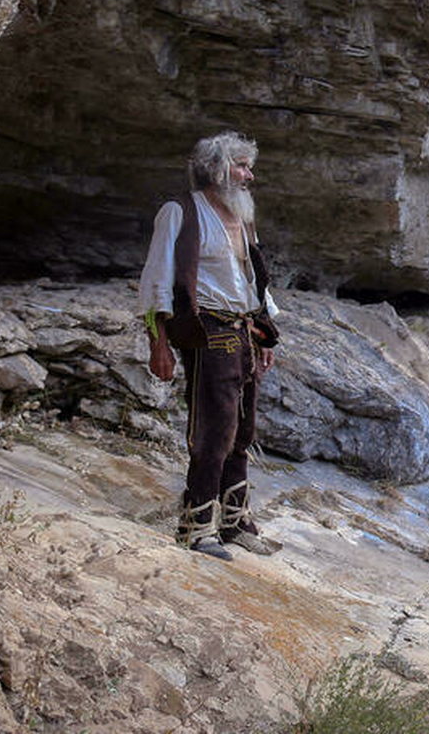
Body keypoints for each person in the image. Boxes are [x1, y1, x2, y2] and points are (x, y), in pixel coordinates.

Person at [139, 131, 280, 560]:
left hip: (244, 333)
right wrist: (158, 342)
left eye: (248, 166)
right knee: (213, 430)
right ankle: (196, 527)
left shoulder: (243, 216)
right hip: (209, 331)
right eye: (240, 165)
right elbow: (157, 281)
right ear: (215, 168)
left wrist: (265, 330)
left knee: (243, 429)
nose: (249, 175)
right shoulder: (180, 212)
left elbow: (253, 277)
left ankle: (236, 522)